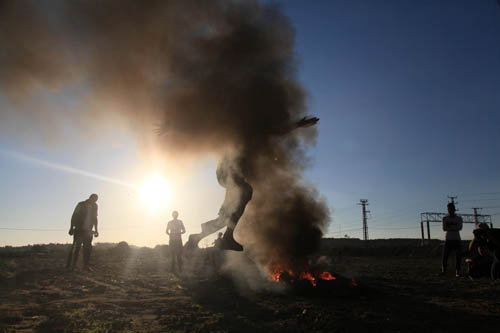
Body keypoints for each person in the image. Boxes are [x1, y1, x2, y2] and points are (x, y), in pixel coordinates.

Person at [66, 194, 99, 271]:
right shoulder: (80, 204)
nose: (94, 201)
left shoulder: (95, 206)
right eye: (93, 199)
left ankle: (85, 266)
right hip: (79, 229)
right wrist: (71, 228)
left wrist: (96, 230)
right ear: (90, 198)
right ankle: (71, 265)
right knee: (76, 247)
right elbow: (74, 216)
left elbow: (95, 218)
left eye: (96, 200)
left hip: (89, 231)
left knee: (87, 248)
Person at [441, 202, 463, 277]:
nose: (449, 210)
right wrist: (454, 227)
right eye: (448, 209)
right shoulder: (445, 218)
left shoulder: (459, 218)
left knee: (458, 256)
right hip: (448, 239)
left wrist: (450, 227)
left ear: (454, 209)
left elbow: (460, 227)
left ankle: (457, 272)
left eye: (450, 209)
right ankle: (444, 271)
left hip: (456, 239)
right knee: (445, 256)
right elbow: (444, 228)